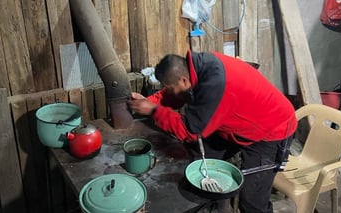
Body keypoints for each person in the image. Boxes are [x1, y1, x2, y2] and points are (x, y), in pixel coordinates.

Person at [127, 50, 297, 213]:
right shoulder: (198, 68)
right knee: (199, 157)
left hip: (272, 131)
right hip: (240, 121)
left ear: (184, 80)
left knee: (252, 201)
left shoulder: (214, 86)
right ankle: (216, 205)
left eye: (168, 87)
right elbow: (175, 93)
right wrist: (149, 101)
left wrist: (154, 111)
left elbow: (190, 131)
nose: (167, 90)